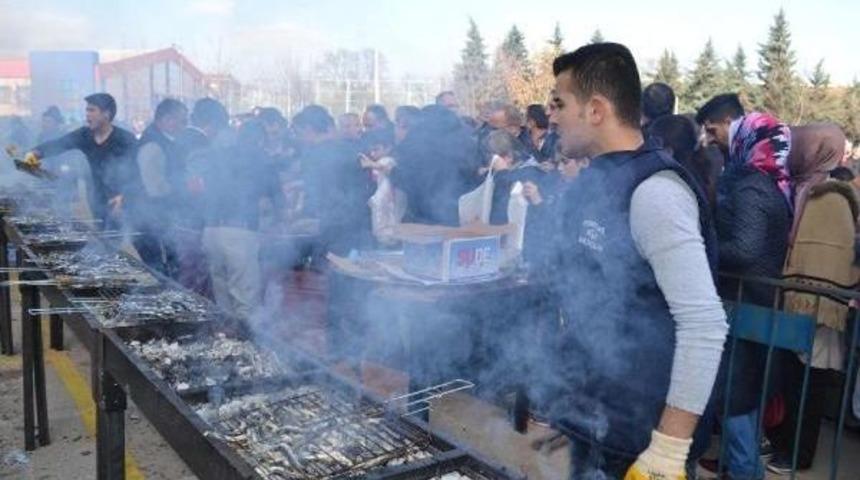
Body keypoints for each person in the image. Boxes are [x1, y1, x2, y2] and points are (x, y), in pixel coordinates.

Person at [546, 43, 727, 479]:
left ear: (596, 109)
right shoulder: (594, 180)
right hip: (596, 418)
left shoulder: (656, 192)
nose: (549, 115)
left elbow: (704, 324)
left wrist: (668, 450)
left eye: (558, 102)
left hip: (645, 432)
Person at [695, 95, 792, 480]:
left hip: (744, 307)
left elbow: (747, 249)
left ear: (738, 126)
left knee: (737, 407)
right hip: (749, 305)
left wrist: (702, 246)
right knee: (741, 406)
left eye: (713, 129)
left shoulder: (752, 185)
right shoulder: (767, 181)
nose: (710, 138)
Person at [767, 124, 858, 474]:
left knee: (811, 380)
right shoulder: (805, 188)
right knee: (794, 378)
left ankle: (799, 454)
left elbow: (831, 256)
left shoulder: (832, 196)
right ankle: (786, 445)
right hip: (799, 302)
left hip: (819, 307)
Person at [200, 119, 284, 320]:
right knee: (245, 302)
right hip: (239, 233)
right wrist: (280, 221)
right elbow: (277, 199)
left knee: (223, 299)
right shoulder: (261, 159)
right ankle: (247, 345)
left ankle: (225, 342)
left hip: (211, 232)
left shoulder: (219, 156)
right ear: (261, 140)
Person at [27, 93, 139, 229]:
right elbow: (60, 144)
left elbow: (137, 173)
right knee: (105, 239)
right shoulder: (85, 135)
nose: (87, 115)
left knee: (137, 241)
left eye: (92, 110)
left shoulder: (125, 139)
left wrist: (125, 197)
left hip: (123, 199)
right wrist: (36, 153)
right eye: (87, 110)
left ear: (106, 114)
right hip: (97, 198)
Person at [295, 105, 373, 255]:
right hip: (358, 224)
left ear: (308, 128)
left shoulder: (313, 156)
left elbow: (319, 193)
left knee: (328, 270)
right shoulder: (350, 149)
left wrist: (310, 218)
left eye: (300, 132)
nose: (300, 138)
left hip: (333, 229)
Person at [391, 105, 480, 226]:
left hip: (424, 216)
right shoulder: (467, 140)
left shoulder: (418, 141)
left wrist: (392, 172)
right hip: (459, 214)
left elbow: (410, 181)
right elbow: (472, 174)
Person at [130, 98, 188, 276]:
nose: (185, 126)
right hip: (150, 222)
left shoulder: (164, 141)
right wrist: (183, 187)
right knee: (162, 273)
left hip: (156, 220)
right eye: (183, 121)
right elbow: (154, 188)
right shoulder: (153, 145)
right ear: (168, 120)